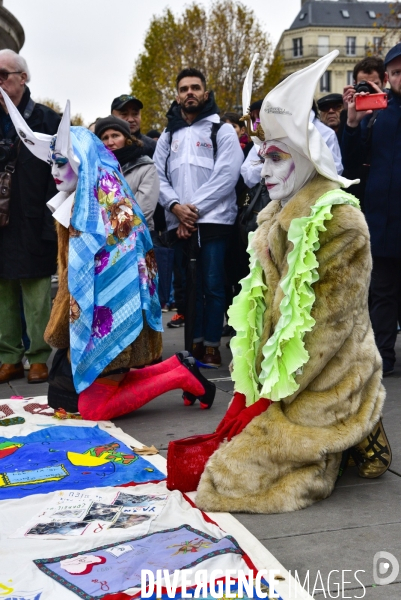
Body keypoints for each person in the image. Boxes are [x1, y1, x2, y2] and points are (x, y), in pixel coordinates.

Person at [195, 51, 389, 515]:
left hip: (326, 374)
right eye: (263, 157)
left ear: (305, 160)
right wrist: (254, 389)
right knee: (218, 458)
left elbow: (326, 327)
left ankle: (360, 423)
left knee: (232, 478)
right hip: (281, 377)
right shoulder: (271, 219)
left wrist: (275, 399)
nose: (264, 170)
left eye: (278, 158)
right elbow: (262, 314)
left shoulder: (341, 222)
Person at [1, 89, 215, 419]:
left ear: (81, 164)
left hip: (112, 318)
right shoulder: (76, 202)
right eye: (52, 165)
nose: (55, 173)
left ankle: (177, 376)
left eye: (61, 164)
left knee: (92, 408)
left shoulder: (108, 209)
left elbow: (120, 278)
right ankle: (176, 367)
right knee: (67, 400)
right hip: (89, 319)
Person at [154, 68, 243, 367]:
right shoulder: (168, 135)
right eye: (184, 89)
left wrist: (192, 210)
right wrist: (176, 207)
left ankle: (212, 345)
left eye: (195, 87)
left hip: (214, 221)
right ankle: (192, 343)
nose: (189, 92)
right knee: (188, 288)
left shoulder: (223, 130)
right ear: (177, 96)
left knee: (214, 284)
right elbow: (158, 177)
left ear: (205, 93)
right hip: (179, 223)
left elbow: (227, 176)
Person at [0, 50, 60, 385]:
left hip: (36, 216)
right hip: (2, 220)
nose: (0, 83)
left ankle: (38, 357)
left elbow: (65, 167)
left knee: (37, 295)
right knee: (3, 295)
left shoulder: (47, 120)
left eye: (4, 75)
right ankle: (8, 358)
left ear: (23, 78)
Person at [341, 43, 401, 376]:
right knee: (382, 293)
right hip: (380, 220)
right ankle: (383, 357)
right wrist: (352, 121)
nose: (399, 77)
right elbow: (350, 167)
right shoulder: (375, 113)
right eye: (395, 72)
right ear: (388, 76)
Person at [95, 115, 159, 232]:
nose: (110, 142)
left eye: (115, 136)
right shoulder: (94, 170)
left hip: (138, 239)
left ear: (127, 139)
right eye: (105, 137)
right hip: (101, 242)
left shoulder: (145, 167)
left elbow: (142, 211)